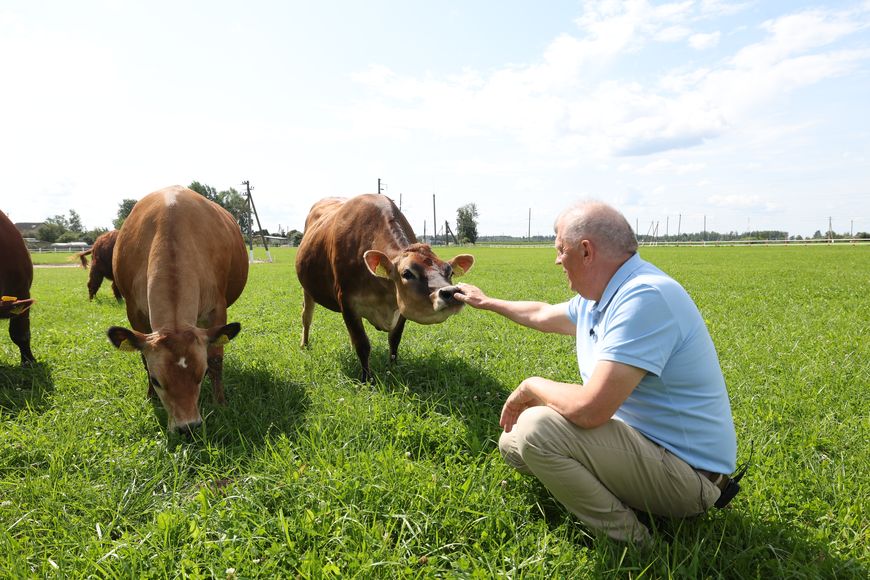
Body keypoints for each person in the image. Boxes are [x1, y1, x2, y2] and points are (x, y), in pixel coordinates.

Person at [454, 200, 737, 544]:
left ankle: (634, 543)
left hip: (690, 477)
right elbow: (541, 314)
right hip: (648, 448)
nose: (557, 260)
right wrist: (486, 302)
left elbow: (591, 410)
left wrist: (532, 385)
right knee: (512, 441)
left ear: (586, 251)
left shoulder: (644, 297)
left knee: (536, 429)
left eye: (560, 249)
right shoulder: (601, 298)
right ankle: (625, 501)